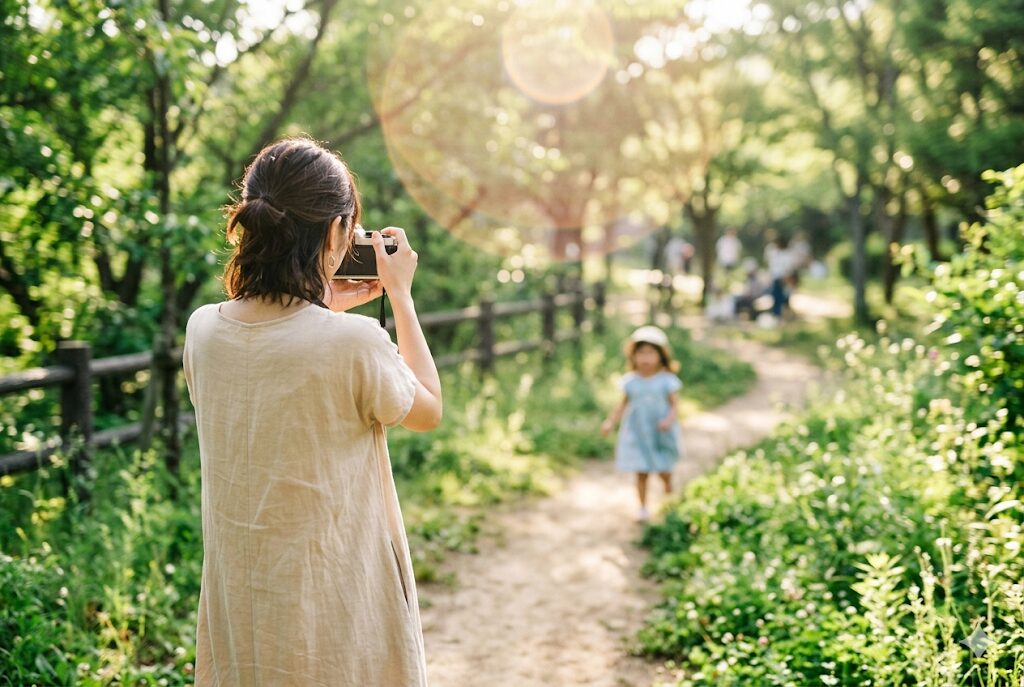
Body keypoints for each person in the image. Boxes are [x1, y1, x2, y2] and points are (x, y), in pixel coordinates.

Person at [182, 137, 442, 686]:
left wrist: (318, 301)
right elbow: (428, 409)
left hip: (243, 596)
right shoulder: (355, 342)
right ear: (334, 233)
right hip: (333, 598)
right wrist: (401, 297)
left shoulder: (203, 329)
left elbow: (276, 339)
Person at [600, 326, 684, 523]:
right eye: (641, 353)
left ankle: (670, 497)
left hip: (659, 433)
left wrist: (668, 421)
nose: (645, 359)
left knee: (664, 470)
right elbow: (622, 405)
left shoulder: (666, 380)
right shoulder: (631, 382)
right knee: (641, 472)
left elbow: (675, 405)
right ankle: (643, 506)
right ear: (633, 356)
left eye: (650, 353)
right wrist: (611, 422)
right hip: (638, 433)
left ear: (661, 356)